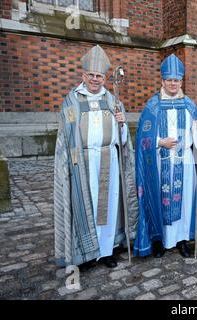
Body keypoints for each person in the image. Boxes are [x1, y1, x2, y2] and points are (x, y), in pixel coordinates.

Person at [54, 45, 138, 270]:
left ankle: (106, 251)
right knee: (85, 205)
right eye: (90, 75)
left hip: (108, 161)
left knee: (107, 208)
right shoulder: (72, 102)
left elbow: (123, 140)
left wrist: (122, 123)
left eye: (99, 75)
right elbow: (66, 136)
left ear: (104, 78)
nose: (95, 79)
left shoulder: (112, 101)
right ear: (83, 76)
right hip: (82, 163)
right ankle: (85, 253)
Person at [134, 54, 197, 258]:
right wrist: (160, 142)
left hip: (184, 163)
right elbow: (142, 136)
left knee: (184, 201)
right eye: (169, 80)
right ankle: (161, 240)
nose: (173, 83)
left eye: (176, 80)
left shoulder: (190, 105)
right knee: (160, 197)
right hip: (160, 162)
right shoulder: (153, 106)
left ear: (181, 81)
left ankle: (182, 239)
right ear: (162, 81)